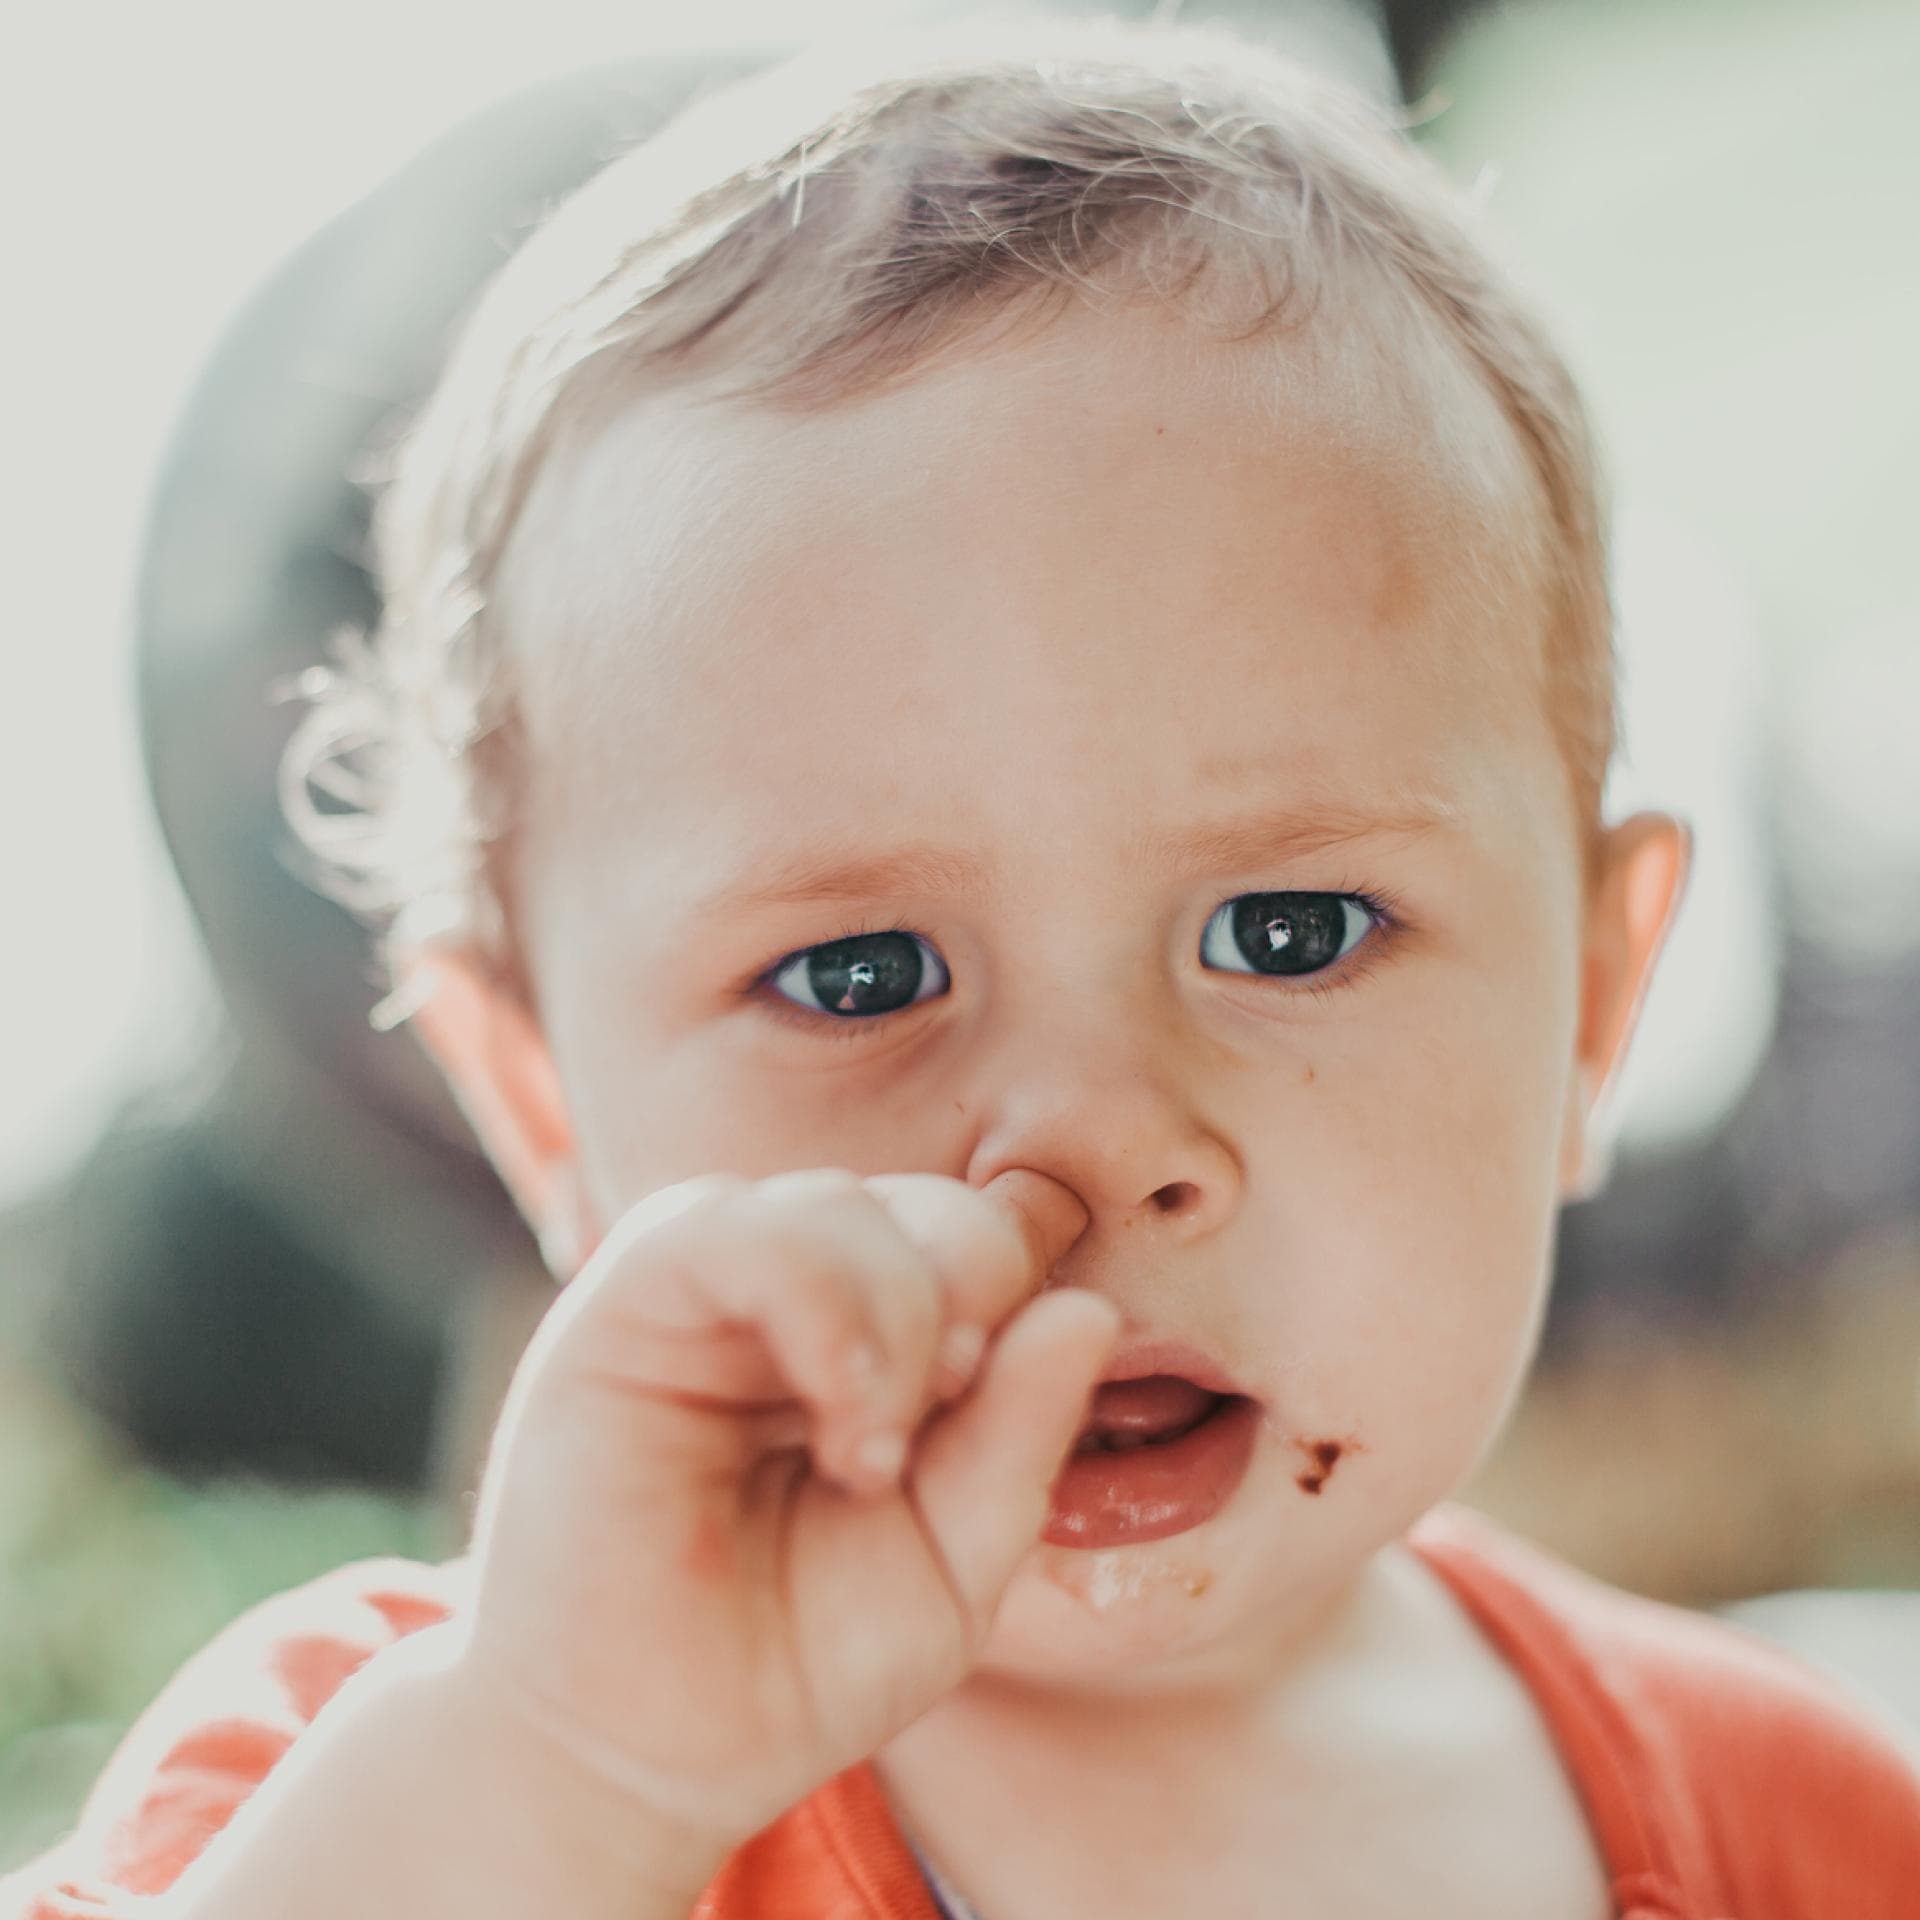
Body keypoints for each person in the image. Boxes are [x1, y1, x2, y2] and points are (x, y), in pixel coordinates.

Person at [8, 14, 1918, 1919]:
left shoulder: (1803, 1823)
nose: (1096, 1139)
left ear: (1589, 1005)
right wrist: (574, 1774)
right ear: (540, 1105)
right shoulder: (388, 1793)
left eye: (1290, 934)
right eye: (860, 976)